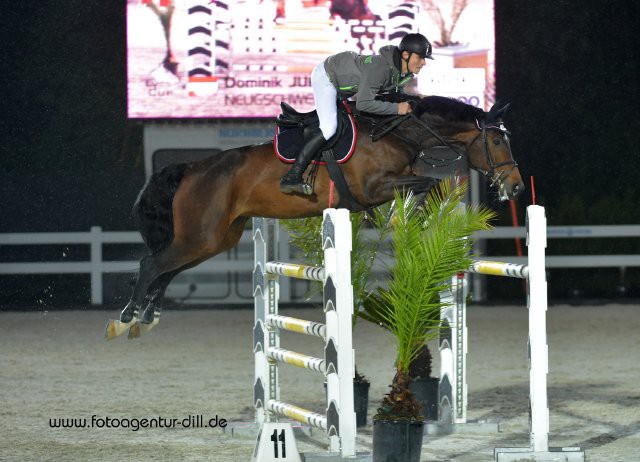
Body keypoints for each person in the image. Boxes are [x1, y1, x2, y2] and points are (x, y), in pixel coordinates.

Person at [280, 32, 434, 195]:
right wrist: (397, 109)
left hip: (345, 84)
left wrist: (416, 99)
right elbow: (364, 104)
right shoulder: (381, 68)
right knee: (329, 128)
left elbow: (393, 96)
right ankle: (292, 177)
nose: (423, 63)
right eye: (421, 57)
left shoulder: (403, 72)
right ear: (405, 54)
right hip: (327, 77)